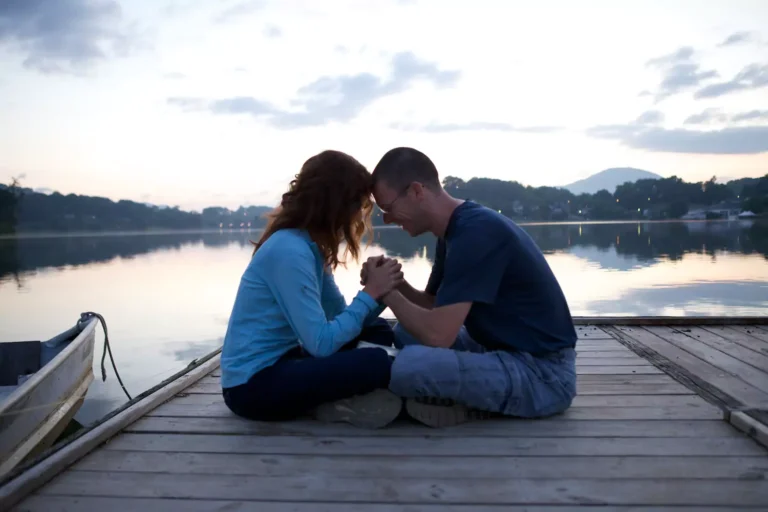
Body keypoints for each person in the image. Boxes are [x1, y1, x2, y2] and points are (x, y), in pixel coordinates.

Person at [365, 146, 578, 428]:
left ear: (417, 191)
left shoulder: (476, 233)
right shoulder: (453, 231)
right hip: (500, 350)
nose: (387, 220)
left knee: (409, 366)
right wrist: (397, 283)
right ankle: (457, 397)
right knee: (406, 332)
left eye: (388, 209)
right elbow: (433, 305)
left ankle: (463, 405)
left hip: (543, 375)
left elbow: (439, 334)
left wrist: (386, 292)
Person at [220, 150, 406, 429]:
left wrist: (378, 292)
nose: (358, 214)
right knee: (376, 362)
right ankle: (336, 404)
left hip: (287, 361)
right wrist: (369, 294)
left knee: (378, 330)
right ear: (337, 203)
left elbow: (338, 319)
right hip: (251, 388)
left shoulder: (309, 247)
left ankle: (341, 400)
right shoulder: (289, 251)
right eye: (358, 203)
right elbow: (321, 344)